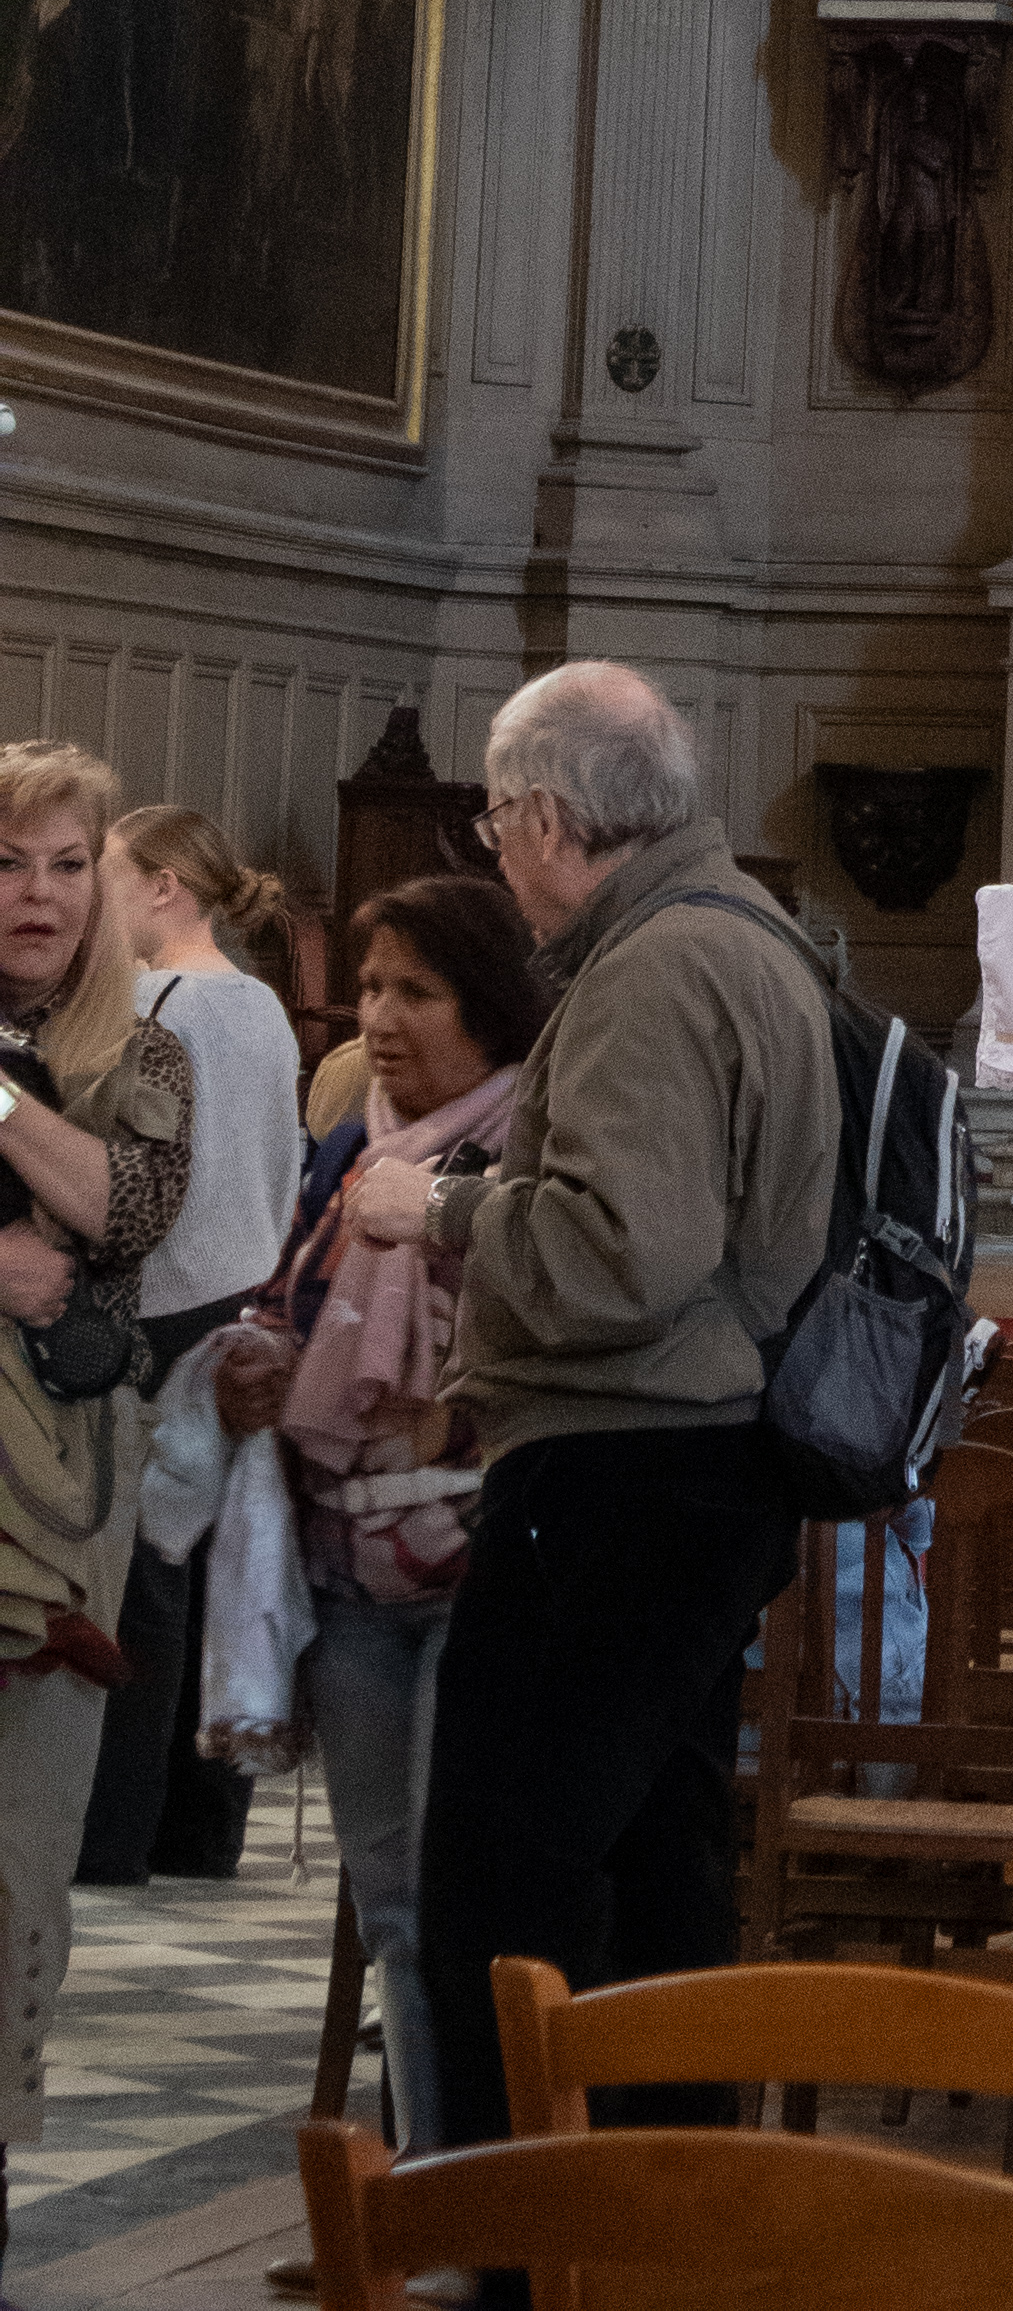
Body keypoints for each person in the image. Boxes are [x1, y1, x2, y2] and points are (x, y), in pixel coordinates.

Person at [391, 663, 835, 2155]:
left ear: (548, 814)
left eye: (498, 823)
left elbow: (623, 1258)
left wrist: (445, 1211)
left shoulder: (654, 971)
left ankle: (528, 2246)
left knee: (502, 1898)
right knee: (658, 1882)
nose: (496, 855)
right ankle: (659, 2231)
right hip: (695, 1471)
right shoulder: (742, 934)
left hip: (618, 1478)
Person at [215, 874, 540, 2156]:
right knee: (391, 1900)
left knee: (475, 1896)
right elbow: (291, 1300)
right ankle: (417, 2179)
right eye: (369, 988)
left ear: (490, 1003)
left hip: (478, 1564)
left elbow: (547, 1340)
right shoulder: (354, 1140)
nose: (383, 1018)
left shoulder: (523, 1147)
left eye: (419, 990)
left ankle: (493, 2183)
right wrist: (251, 1356)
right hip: (352, 1573)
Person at [0, 740, 193, 2272]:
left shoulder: (148, 1052)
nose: (39, 893)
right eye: (9, 862)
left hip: (52, 1505)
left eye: (69, 863)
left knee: (15, 1871)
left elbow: (117, 1215)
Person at [74, 807, 302, 1888]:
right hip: (249, 1297)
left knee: (140, 1571)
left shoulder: (153, 1001)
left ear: (166, 886)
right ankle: (204, 1833)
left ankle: (113, 1834)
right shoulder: (263, 1005)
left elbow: (133, 1179)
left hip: (162, 1302)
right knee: (221, 1558)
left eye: (106, 876)